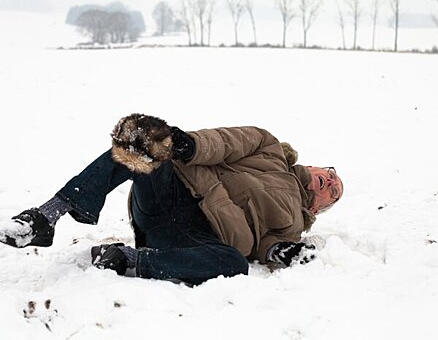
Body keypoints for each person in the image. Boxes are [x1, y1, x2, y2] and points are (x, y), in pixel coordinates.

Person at [0, 114, 343, 285]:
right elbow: (226, 142)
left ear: (318, 207)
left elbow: (264, 246)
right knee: (143, 148)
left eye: (333, 190)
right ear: (312, 164)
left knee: (235, 264)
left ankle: (131, 260)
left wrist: (279, 250)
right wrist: (185, 145)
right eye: (330, 172)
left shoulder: (295, 226)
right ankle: (45, 217)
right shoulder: (269, 147)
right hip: (174, 190)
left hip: (194, 239)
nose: (329, 180)